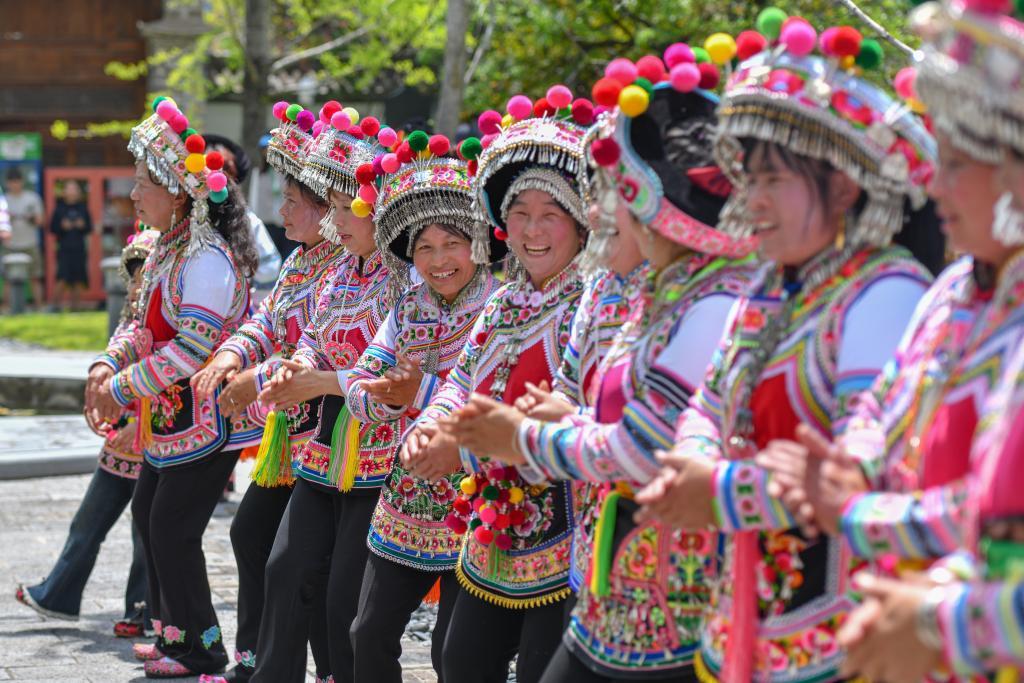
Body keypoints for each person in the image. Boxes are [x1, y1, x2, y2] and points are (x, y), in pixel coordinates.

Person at [629, 15, 937, 681]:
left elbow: (860, 465)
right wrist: (693, 459)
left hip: (843, 639)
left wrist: (717, 488)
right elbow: (708, 400)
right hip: (743, 621)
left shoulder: (887, 292)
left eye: (773, 180)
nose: (753, 200)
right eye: (749, 180)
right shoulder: (768, 287)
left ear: (844, 185)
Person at [445, 54, 762, 681]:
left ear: (658, 206)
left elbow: (646, 446)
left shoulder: (713, 302)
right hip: (609, 568)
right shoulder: (653, 294)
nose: (596, 213)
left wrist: (524, 437)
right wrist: (545, 419)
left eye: (611, 196)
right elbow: (577, 392)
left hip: (677, 588)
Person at [834, 3, 1024, 680]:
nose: (934, 185)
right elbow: (882, 402)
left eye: (958, 163)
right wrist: (851, 464)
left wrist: (858, 513)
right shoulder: (951, 291)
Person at [400, 89, 591, 683]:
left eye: (549, 213)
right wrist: (432, 424)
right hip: (491, 533)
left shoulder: (591, 305)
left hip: (565, 536)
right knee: (461, 662)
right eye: (518, 213)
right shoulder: (504, 303)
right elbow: (461, 378)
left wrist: (461, 449)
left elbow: (573, 410)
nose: (531, 230)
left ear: (581, 221)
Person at [86, 97, 258, 678]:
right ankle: (173, 634)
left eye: (143, 183)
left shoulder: (205, 258)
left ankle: (203, 649)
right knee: (148, 515)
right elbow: (139, 324)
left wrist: (122, 387)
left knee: (172, 528)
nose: (134, 195)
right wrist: (105, 366)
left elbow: (193, 349)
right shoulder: (168, 247)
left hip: (210, 417)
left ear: (177, 193)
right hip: (171, 418)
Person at [191, 101, 344, 683]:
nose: (281, 211)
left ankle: (319, 667)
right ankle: (259, 660)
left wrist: (258, 374)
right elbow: (268, 321)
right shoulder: (302, 262)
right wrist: (232, 354)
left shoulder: (347, 266)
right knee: (253, 534)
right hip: (291, 432)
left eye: (291, 201)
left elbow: (321, 347)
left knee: (303, 561)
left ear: (326, 210)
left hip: (336, 432)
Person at [345, 139, 503, 683]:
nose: (438, 261)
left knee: (453, 654)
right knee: (367, 633)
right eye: (425, 248)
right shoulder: (406, 306)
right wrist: (385, 397)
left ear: (478, 244)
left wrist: (417, 391)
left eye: (452, 244)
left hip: (473, 497)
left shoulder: (501, 306)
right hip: (407, 494)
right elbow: (360, 383)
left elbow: (494, 400)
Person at [248, 106, 395, 683]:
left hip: (377, 449)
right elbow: (312, 336)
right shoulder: (341, 272)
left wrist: (316, 380)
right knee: (284, 568)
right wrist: (298, 366)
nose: (336, 220)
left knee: (342, 604)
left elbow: (389, 373)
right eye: (331, 207)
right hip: (323, 444)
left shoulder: (403, 279)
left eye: (343, 208)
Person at [15, 227, 159, 636]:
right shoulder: (129, 324)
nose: (135, 287)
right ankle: (57, 595)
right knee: (88, 524)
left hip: (151, 442)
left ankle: (144, 610)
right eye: (132, 278)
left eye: (144, 278)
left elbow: (167, 380)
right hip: (120, 444)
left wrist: (140, 424)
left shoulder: (164, 327)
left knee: (145, 534)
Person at [203, 133, 283, 305]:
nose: (214, 176)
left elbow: (269, 269)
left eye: (224, 169)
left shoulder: (248, 221)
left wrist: (249, 304)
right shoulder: (185, 215)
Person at [3, 167, 44, 309]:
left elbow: (41, 221)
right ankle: (6, 309)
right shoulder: (3, 200)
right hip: (10, 245)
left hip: (30, 243)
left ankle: (39, 307)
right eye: (12, 182)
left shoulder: (32, 198)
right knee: (8, 279)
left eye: (17, 181)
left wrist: (30, 218)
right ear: (7, 183)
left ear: (22, 182)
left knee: (35, 277)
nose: (15, 184)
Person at [49, 180, 92, 311]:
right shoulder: (59, 208)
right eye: (69, 189)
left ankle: (76, 307)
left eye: (75, 189)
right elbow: (52, 228)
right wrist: (62, 226)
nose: (72, 192)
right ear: (64, 192)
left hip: (79, 248)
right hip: (64, 248)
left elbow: (89, 227)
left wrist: (82, 225)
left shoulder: (83, 208)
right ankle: (55, 306)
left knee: (78, 278)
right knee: (62, 277)